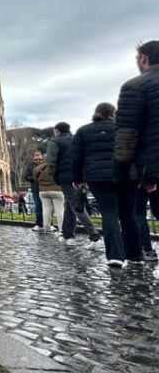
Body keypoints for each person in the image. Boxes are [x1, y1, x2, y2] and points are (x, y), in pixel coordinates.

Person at [73, 102, 140, 267]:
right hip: (127, 175)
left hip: (98, 177)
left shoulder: (83, 131)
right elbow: (137, 152)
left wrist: (77, 178)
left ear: (96, 113)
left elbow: (76, 157)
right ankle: (135, 255)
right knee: (128, 214)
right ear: (113, 113)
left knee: (109, 213)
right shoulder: (124, 128)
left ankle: (115, 256)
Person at [115, 40, 159, 275]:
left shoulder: (135, 86)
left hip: (150, 167)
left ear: (143, 58)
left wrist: (122, 172)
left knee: (134, 212)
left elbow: (126, 135)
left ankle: (136, 254)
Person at [46, 122, 101, 245]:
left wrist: (54, 176)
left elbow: (50, 162)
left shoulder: (54, 142)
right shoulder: (77, 140)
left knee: (75, 204)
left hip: (66, 177)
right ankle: (68, 235)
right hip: (81, 176)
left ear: (57, 131)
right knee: (69, 206)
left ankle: (93, 233)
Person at [34, 156, 63, 235]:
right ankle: (61, 229)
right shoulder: (58, 166)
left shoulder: (38, 168)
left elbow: (35, 178)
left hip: (43, 190)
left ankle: (46, 228)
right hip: (57, 190)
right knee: (59, 210)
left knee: (46, 210)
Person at [24, 150, 45, 231]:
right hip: (36, 189)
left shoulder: (45, 165)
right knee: (38, 207)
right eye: (36, 159)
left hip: (45, 189)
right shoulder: (31, 166)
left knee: (47, 208)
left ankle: (49, 223)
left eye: (40, 159)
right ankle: (38, 224)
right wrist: (34, 178)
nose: (38, 161)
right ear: (34, 159)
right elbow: (26, 177)